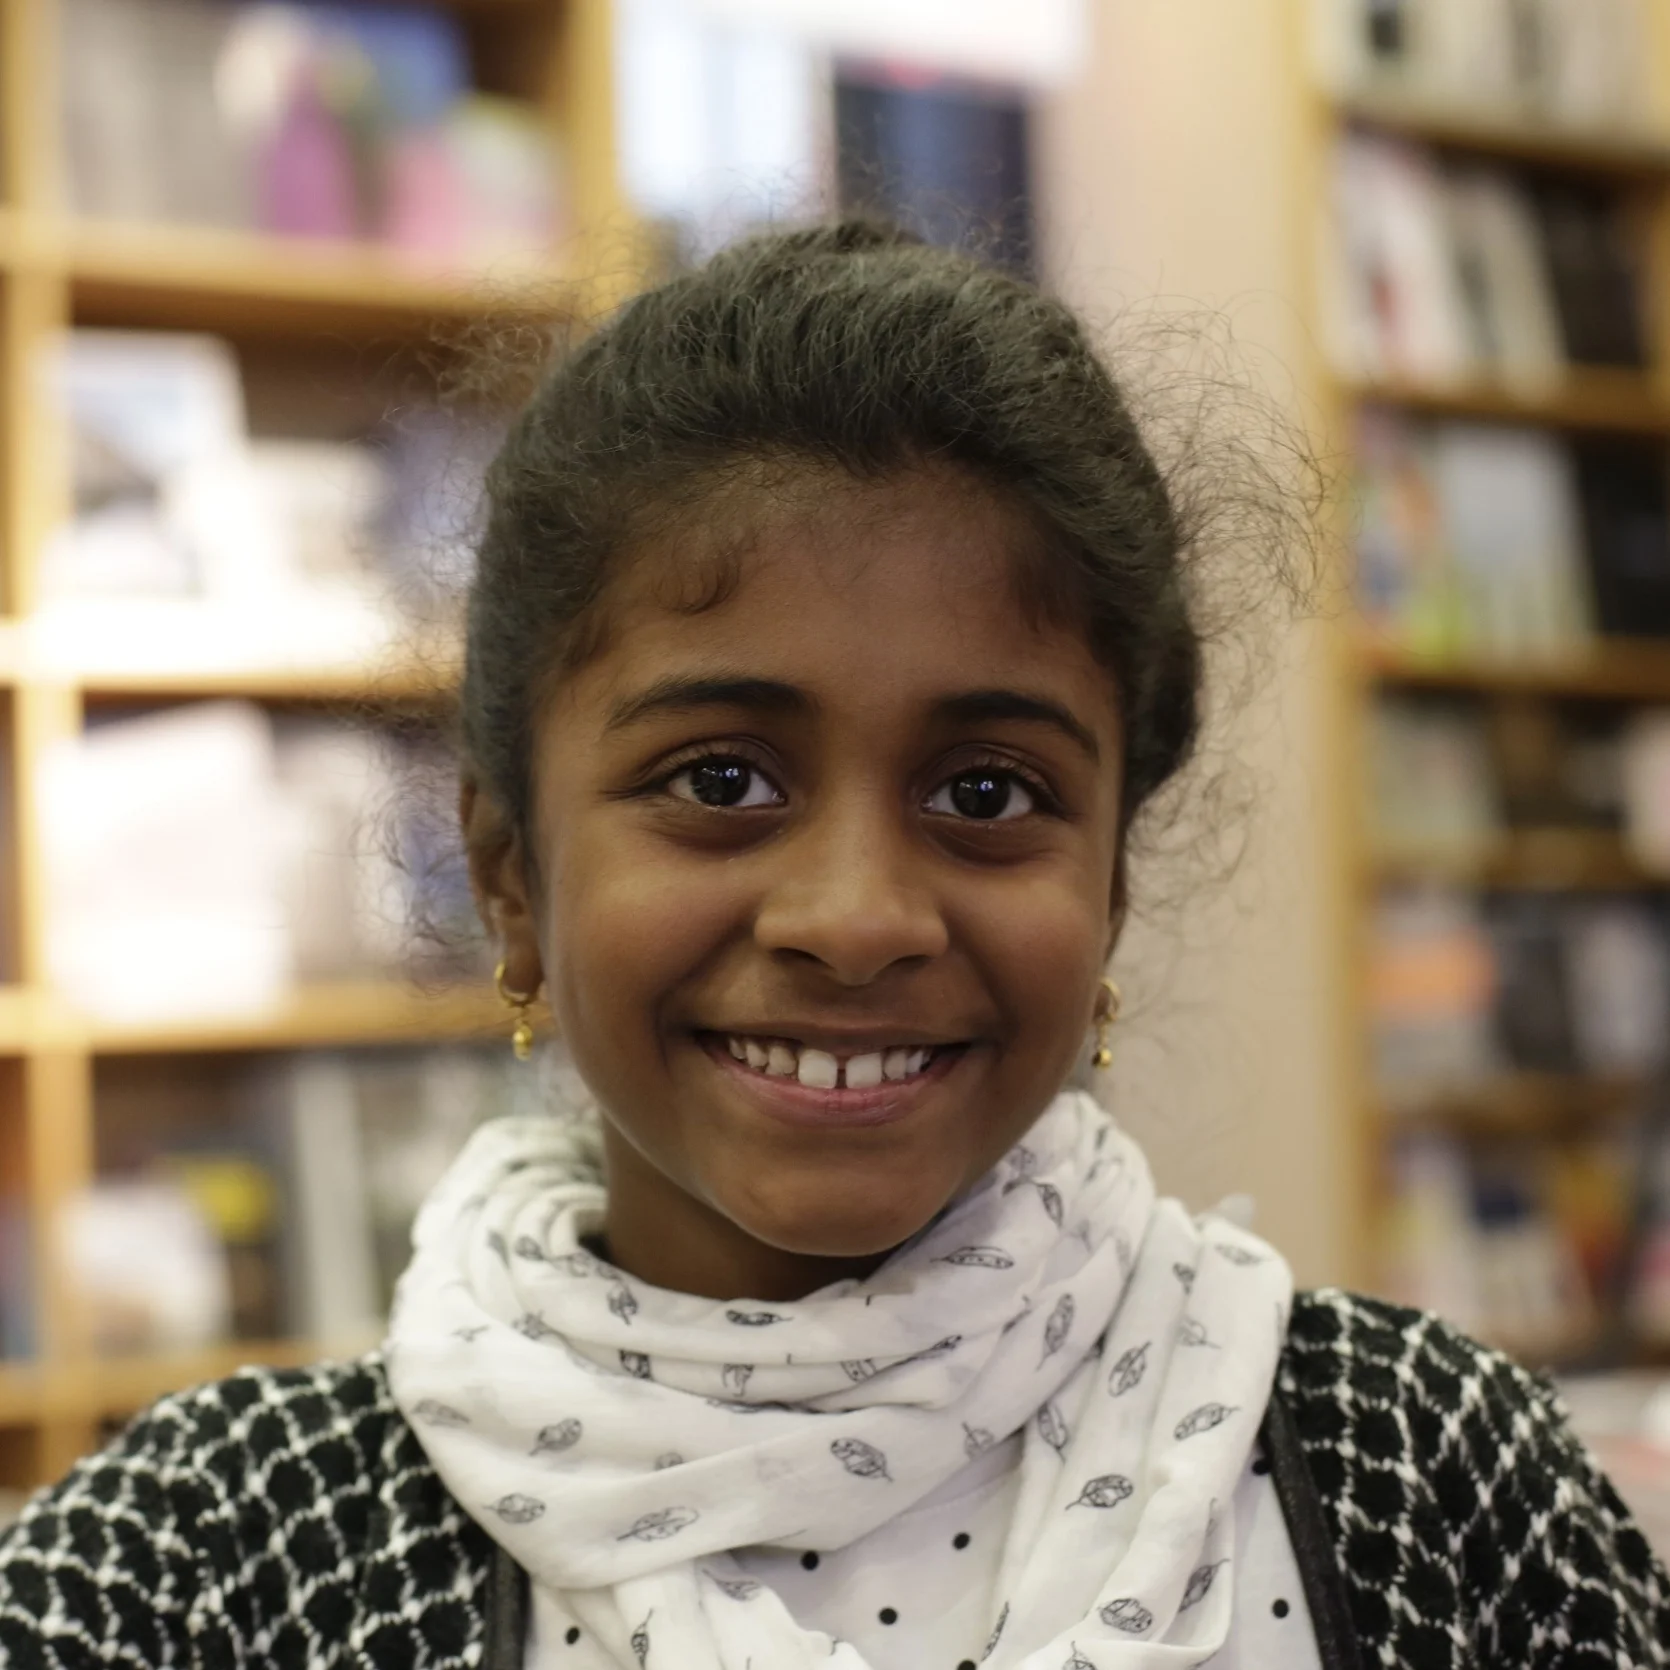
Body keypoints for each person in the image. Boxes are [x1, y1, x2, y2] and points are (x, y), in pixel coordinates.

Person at [1, 221, 1665, 1670]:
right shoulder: (194, 1565)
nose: (857, 918)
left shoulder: (1425, 1474)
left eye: (986, 791)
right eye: (720, 780)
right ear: (509, 871)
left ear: (1108, 888)